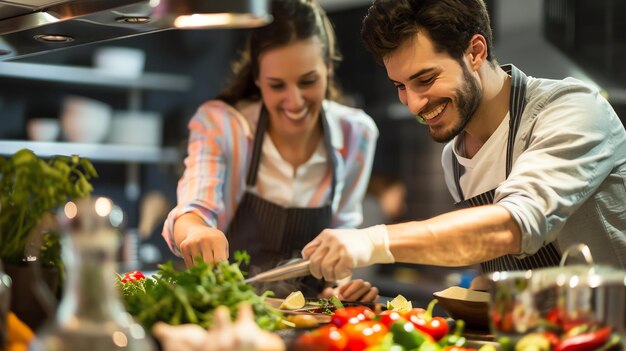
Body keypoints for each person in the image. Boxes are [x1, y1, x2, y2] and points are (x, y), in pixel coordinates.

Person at [301, 0, 626, 285]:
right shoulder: (454, 159)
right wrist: (488, 287)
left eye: (425, 79)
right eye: (400, 85)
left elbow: (514, 224)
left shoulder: (572, 110)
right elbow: (509, 267)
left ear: (475, 52)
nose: (413, 104)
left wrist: (372, 241)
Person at [162, 0, 380, 301]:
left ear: (328, 68)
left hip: (307, 316)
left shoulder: (356, 133)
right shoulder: (222, 124)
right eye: (277, 85)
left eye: (308, 81)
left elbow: (341, 234)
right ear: (257, 79)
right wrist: (197, 231)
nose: (294, 101)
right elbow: (193, 211)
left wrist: (340, 288)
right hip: (226, 308)